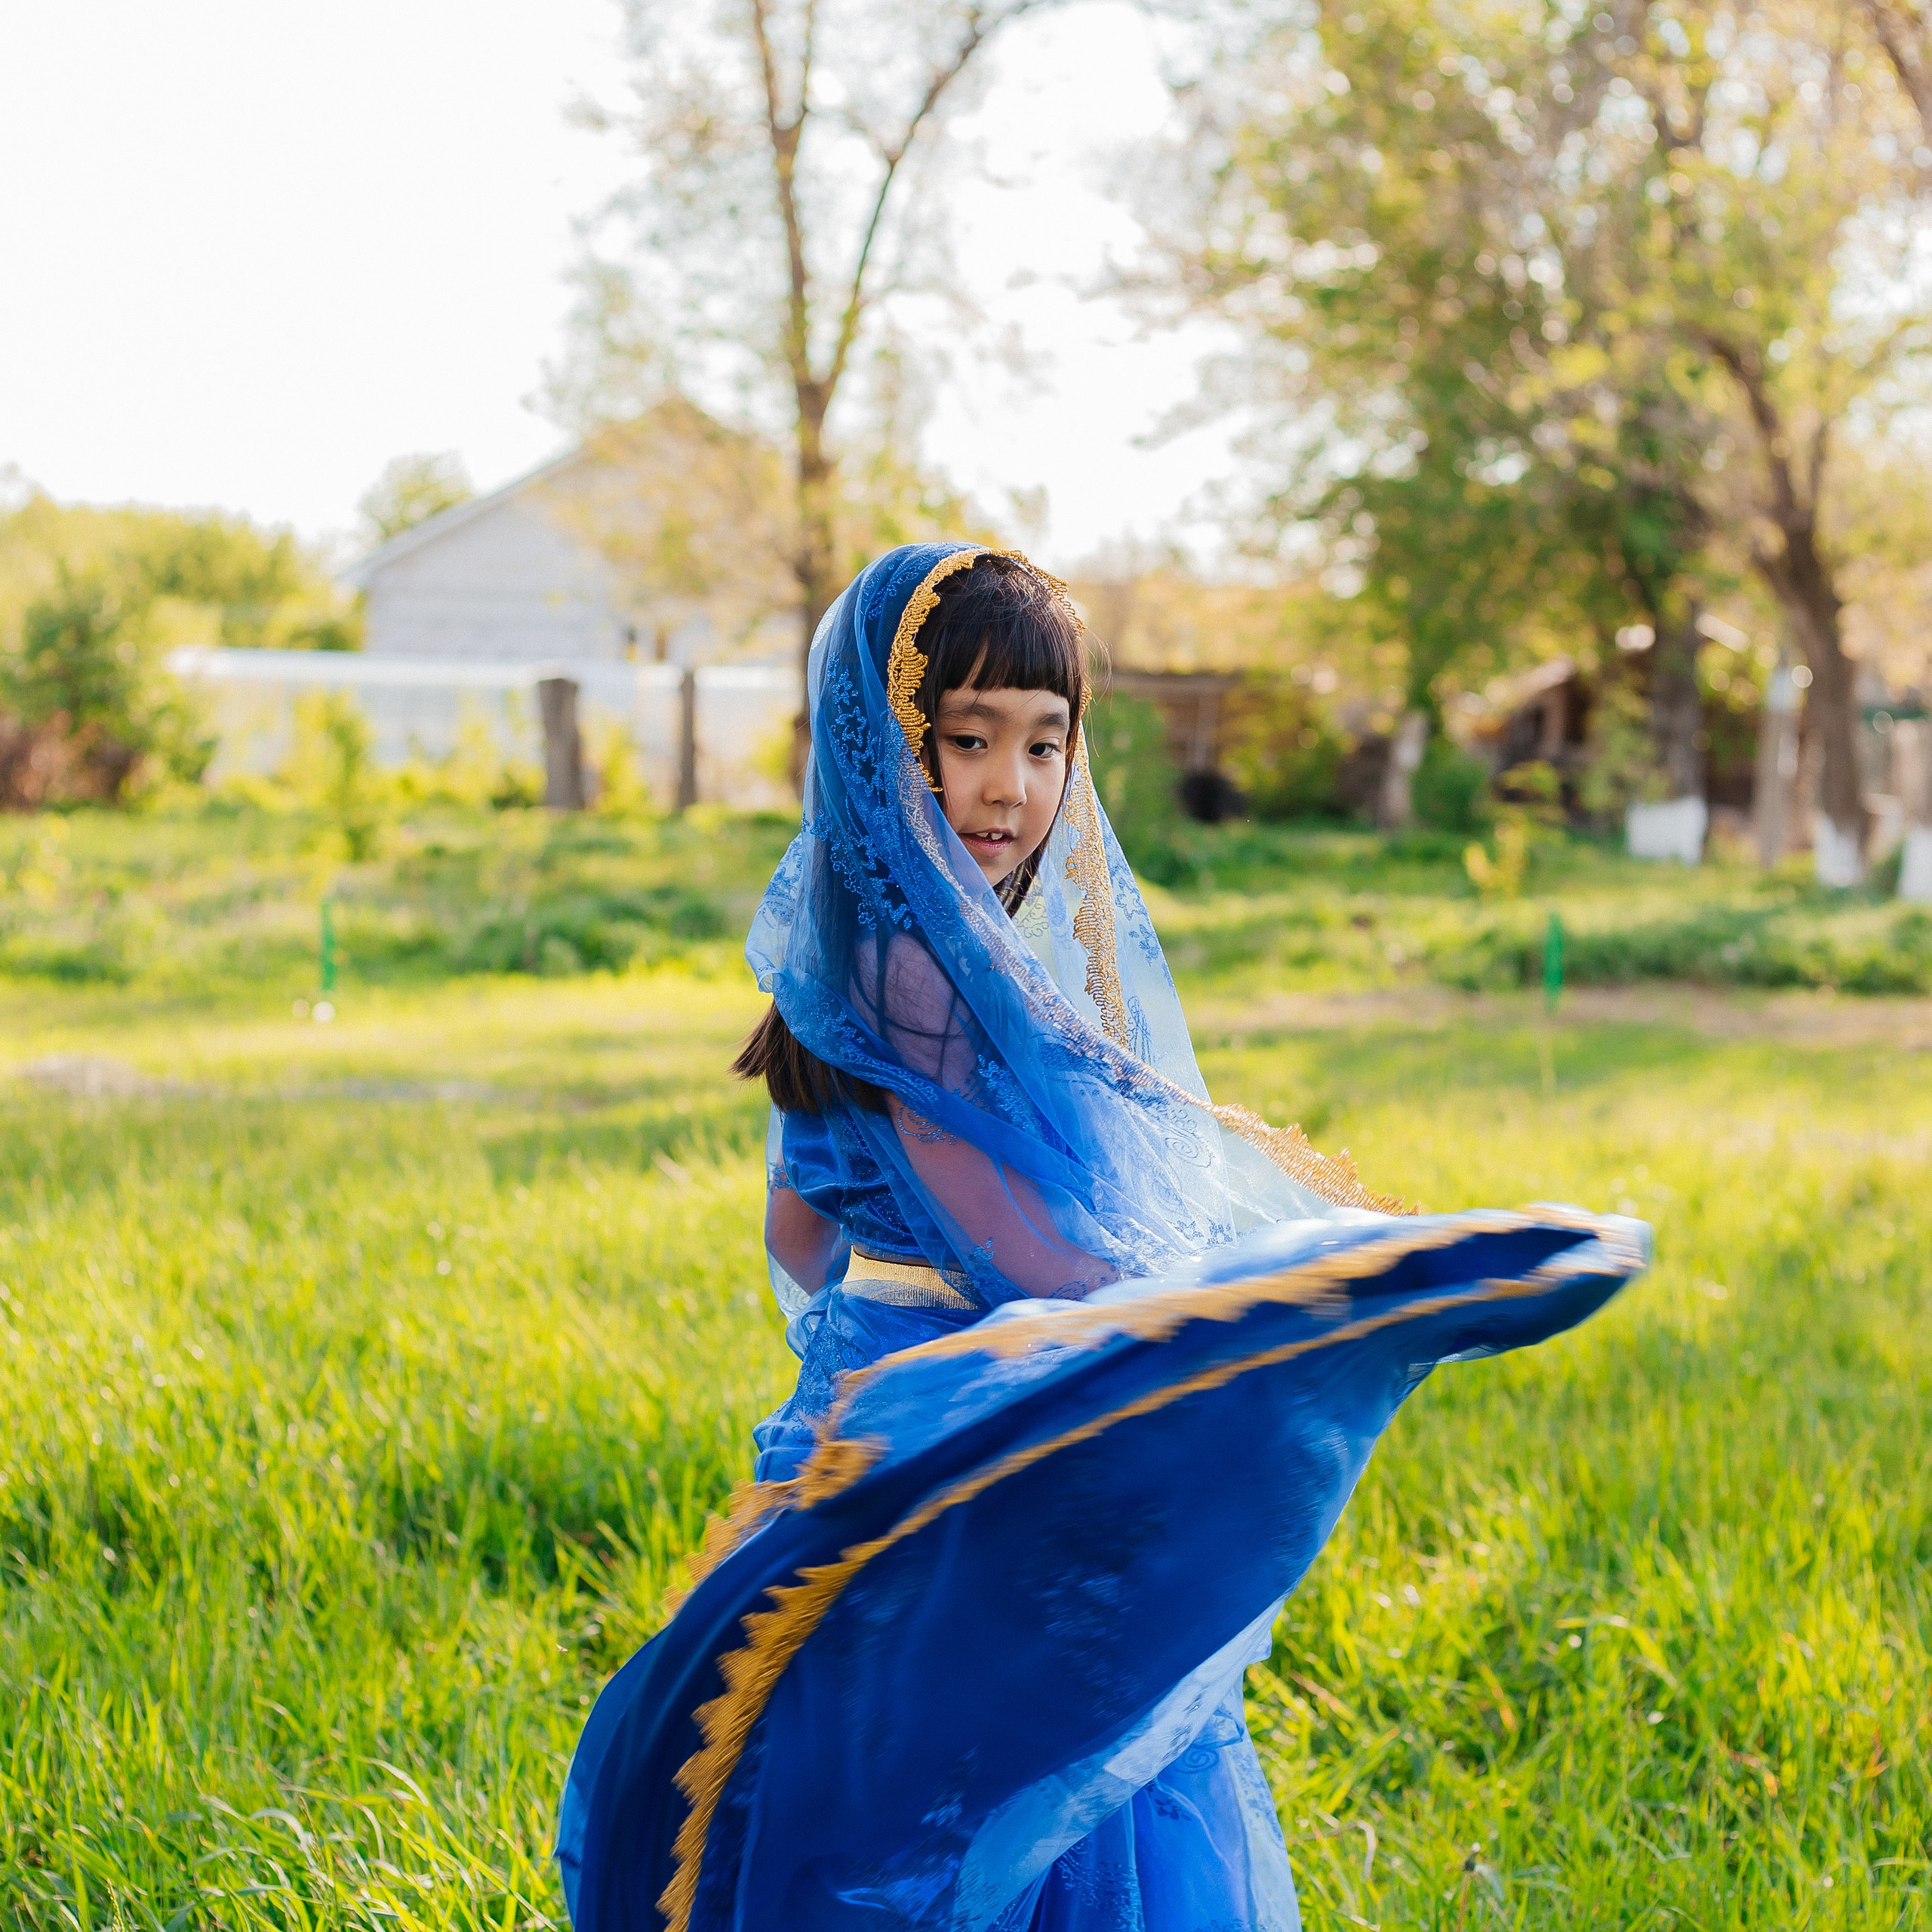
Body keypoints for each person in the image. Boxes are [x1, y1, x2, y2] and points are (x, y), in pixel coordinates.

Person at [558, 543, 1648, 1932]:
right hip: (983, 1414)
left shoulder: (870, 953)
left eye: (1044, 742)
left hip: (896, 1381)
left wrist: (885, 1311)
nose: (1009, 786)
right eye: (967, 740)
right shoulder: (909, 971)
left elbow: (796, 1234)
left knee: (915, 1773)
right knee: (1011, 1771)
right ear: (884, 748)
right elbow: (1021, 1261)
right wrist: (1230, 1315)